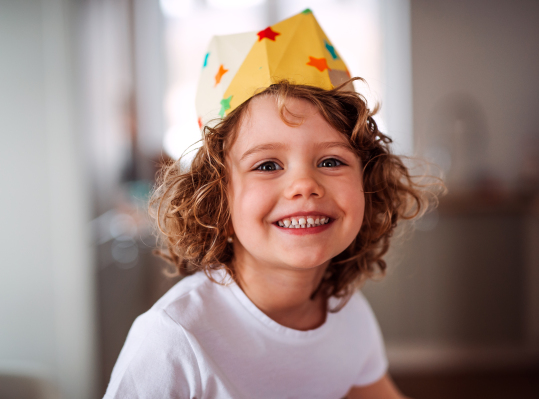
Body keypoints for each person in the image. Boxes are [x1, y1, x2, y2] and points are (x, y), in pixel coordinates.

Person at [104, 10, 436, 399]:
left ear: (368, 186)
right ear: (217, 203)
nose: (303, 185)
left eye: (331, 161)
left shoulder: (349, 314)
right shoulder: (172, 339)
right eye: (267, 165)